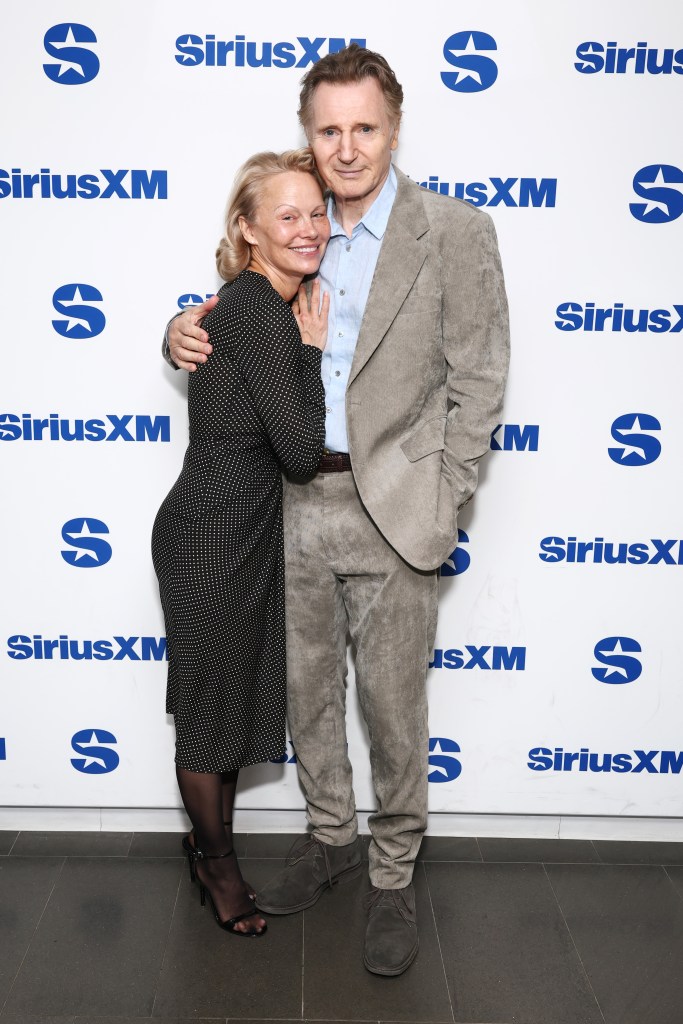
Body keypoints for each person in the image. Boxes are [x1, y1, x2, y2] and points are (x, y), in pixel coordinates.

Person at [165, 45, 509, 973]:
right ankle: (330, 840)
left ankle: (392, 876)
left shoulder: (455, 230)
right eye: (328, 130)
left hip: (395, 506)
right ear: (307, 137)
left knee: (393, 707)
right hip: (287, 501)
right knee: (307, 697)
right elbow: (231, 313)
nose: (346, 148)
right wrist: (176, 329)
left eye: (364, 128)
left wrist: (445, 493)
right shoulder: (296, 223)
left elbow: (479, 379)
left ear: (393, 129)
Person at [152, 149, 330, 937]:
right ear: (247, 230)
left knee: (222, 706)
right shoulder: (260, 310)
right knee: (208, 713)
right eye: (286, 215)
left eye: (316, 212)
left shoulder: (253, 303)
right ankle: (217, 867)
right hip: (210, 536)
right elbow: (299, 451)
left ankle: (208, 847)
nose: (307, 228)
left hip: (238, 530)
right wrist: (311, 354)